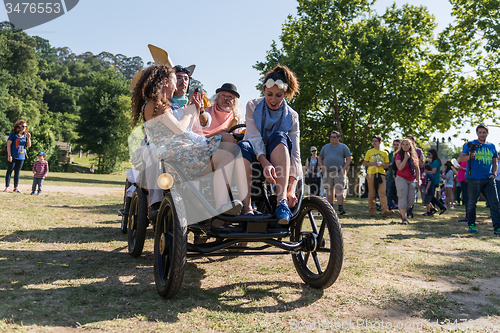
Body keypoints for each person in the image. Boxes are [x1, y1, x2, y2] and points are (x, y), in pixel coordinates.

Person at [131, 64, 244, 215]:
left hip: (177, 151)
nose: (176, 86)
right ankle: (221, 203)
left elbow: (185, 131)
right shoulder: (157, 104)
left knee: (227, 153)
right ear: (165, 82)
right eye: (174, 80)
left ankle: (219, 201)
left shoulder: (160, 105)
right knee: (226, 155)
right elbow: (179, 128)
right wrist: (189, 113)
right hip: (172, 153)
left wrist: (192, 111)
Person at [237, 65, 302, 224]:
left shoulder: (292, 116)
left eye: (279, 95)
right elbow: (253, 137)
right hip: (254, 155)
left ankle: (281, 202)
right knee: (242, 146)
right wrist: (265, 163)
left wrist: (292, 188)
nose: (273, 99)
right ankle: (247, 207)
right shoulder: (252, 106)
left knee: (279, 136)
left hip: (278, 156)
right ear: (263, 90)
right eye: (269, 94)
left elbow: (295, 154)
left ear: (285, 94)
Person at [457, 124, 500, 235]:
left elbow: (495, 161)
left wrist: (494, 174)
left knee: (495, 203)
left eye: (484, 132)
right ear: (477, 133)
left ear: (487, 133)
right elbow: (460, 158)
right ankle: (471, 225)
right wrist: (470, 156)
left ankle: (497, 228)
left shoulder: (491, 146)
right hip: (473, 179)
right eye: (480, 132)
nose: (482, 134)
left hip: (488, 179)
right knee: (472, 203)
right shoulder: (470, 144)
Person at [318, 131, 352, 215]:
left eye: (334, 137)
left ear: (338, 138)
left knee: (339, 189)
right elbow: (320, 158)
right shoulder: (326, 147)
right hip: (328, 172)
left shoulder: (343, 147)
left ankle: (340, 207)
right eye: (331, 137)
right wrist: (322, 168)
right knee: (329, 189)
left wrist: (344, 169)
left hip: (338, 172)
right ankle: (331, 207)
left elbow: (349, 158)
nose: (331, 138)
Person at [363, 135, 394, 217]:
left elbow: (387, 165)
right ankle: (372, 211)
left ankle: (385, 211)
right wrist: (373, 163)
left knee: (382, 193)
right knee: (372, 194)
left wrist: (381, 164)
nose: (374, 142)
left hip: (381, 174)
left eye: (376, 141)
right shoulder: (369, 152)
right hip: (371, 174)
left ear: (380, 142)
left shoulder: (384, 153)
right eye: (373, 141)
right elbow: (365, 163)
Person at [394, 138, 420, 224]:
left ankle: (401, 212)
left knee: (410, 202)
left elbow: (417, 168)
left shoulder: (414, 155)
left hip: (412, 179)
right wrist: (405, 158)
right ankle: (404, 218)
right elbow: (400, 167)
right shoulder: (399, 155)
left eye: (407, 144)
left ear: (410, 146)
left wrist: (418, 179)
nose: (405, 146)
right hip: (401, 178)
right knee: (402, 198)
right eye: (403, 144)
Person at [4, 119, 31, 193]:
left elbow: (28, 145)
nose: (24, 128)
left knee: (17, 172)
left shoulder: (25, 135)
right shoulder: (13, 134)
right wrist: (9, 155)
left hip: (21, 156)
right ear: (18, 126)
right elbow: (9, 144)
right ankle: (7, 187)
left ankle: (15, 187)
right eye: (23, 126)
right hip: (13, 155)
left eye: (25, 126)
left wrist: (29, 138)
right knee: (9, 171)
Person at [427, 149, 447, 215]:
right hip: (434, 179)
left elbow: (433, 171)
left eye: (429, 154)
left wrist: (426, 172)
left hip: (434, 180)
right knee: (431, 196)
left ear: (433, 154)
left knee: (431, 196)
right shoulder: (435, 161)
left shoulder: (436, 161)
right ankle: (433, 209)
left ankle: (441, 207)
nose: (429, 156)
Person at [386, 139, 401, 210]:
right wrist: (392, 164)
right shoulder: (390, 154)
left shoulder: (402, 154)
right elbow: (386, 164)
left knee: (400, 194)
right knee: (389, 194)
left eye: (397, 145)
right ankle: (388, 208)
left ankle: (400, 208)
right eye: (394, 145)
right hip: (390, 176)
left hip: (400, 177)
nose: (396, 146)